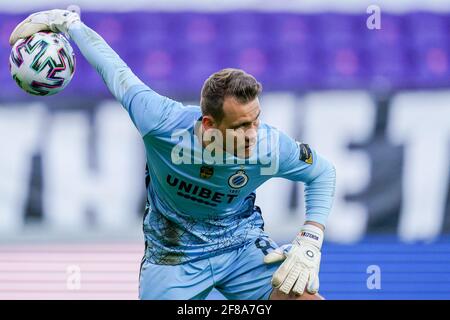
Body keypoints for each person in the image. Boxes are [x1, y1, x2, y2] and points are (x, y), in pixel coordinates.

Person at [10, 9, 336, 300]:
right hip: (173, 256)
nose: (253, 133)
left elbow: (321, 172)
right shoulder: (161, 123)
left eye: (257, 120)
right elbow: (114, 70)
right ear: (209, 124)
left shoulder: (268, 146)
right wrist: (71, 24)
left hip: (240, 246)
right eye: (241, 126)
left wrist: (310, 238)